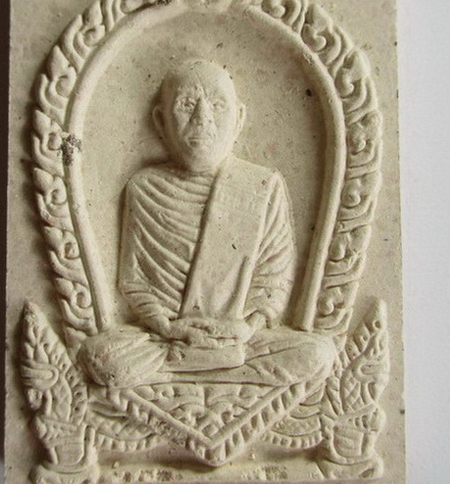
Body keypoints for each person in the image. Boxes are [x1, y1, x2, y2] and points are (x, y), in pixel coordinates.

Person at [79, 59, 335, 388]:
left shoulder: (261, 185)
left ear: (238, 118)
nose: (203, 118)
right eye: (187, 104)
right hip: (168, 339)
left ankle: (197, 369)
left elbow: (274, 278)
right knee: (103, 359)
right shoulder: (144, 188)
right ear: (161, 120)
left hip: (241, 338)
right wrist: (168, 327)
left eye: (217, 105)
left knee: (318, 354)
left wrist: (248, 327)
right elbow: (134, 281)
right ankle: (220, 369)